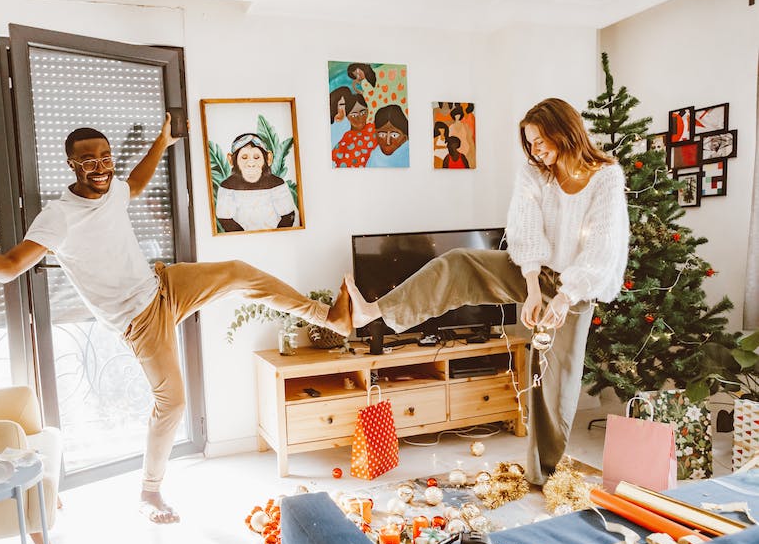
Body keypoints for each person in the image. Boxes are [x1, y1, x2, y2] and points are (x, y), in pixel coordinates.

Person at [0, 114, 353, 523]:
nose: (100, 168)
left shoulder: (114, 189)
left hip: (163, 282)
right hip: (139, 319)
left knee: (238, 271)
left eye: (105, 158)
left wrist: (161, 143)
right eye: (88, 160)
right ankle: (149, 489)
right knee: (173, 404)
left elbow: (137, 182)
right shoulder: (58, 217)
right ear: (71, 164)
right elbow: (7, 269)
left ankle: (329, 317)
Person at [345, 97, 629, 485]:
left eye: (540, 141)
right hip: (536, 272)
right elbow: (525, 228)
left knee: (553, 380)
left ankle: (543, 475)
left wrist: (563, 298)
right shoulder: (534, 173)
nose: (535, 150)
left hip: (577, 286)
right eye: (529, 143)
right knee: (460, 261)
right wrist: (531, 287)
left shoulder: (606, 176)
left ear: (564, 131)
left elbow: (602, 248)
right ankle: (374, 311)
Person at [215, 133, 297, 232]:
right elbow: (225, 218)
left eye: (256, 157)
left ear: (268, 158)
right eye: (244, 158)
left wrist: (275, 236)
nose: (251, 164)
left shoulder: (276, 184)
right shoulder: (227, 186)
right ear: (232, 160)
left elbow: (288, 216)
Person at [331, 93, 376, 168]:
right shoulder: (346, 138)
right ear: (347, 116)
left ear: (368, 111)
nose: (359, 118)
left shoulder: (374, 129)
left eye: (363, 112)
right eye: (354, 115)